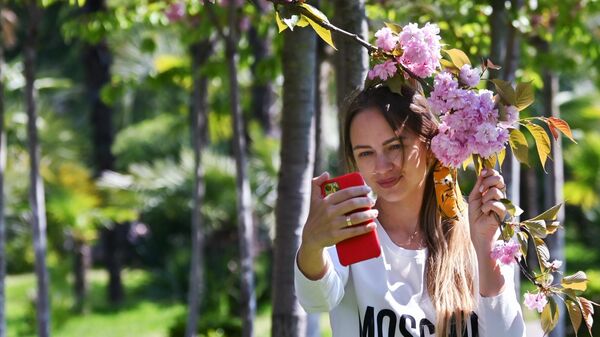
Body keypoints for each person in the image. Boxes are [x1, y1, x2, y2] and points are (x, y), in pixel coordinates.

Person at [294, 84, 526, 337]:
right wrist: (312, 244)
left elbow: (507, 333)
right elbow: (316, 301)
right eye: (366, 153)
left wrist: (484, 247)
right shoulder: (350, 233)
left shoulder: (479, 232)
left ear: (430, 145)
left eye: (394, 146)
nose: (381, 167)